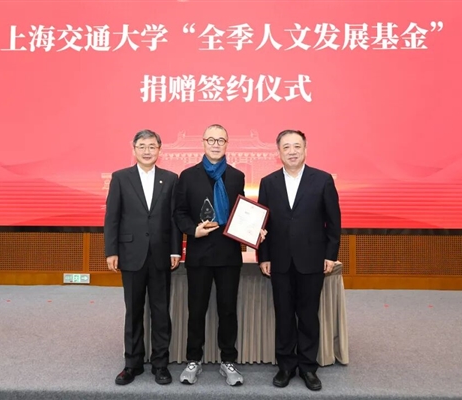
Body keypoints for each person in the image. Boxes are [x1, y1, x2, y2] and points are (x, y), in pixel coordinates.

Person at [257, 129, 341, 391]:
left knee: (307, 315)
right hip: (279, 260)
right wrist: (263, 256)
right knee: (283, 315)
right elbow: (263, 223)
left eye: (296, 146)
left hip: (312, 260)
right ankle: (285, 366)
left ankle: (307, 367)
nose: (292, 151)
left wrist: (330, 255)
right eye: (286, 147)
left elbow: (333, 222)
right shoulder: (268, 182)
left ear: (305, 149)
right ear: (279, 152)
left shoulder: (323, 180)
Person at [104, 129, 182, 386]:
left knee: (160, 311)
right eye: (142, 146)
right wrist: (111, 251)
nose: (147, 151)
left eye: (152, 146)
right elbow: (112, 217)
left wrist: (175, 250)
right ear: (134, 149)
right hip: (130, 254)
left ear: (159, 150)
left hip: (161, 254)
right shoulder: (120, 178)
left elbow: (173, 219)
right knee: (134, 310)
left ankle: (161, 364)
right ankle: (132, 363)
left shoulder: (170, 179)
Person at [173, 124, 246, 386]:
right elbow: (179, 212)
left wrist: (253, 229)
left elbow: (242, 213)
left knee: (228, 310)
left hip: (228, 255)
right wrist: (193, 230)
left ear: (227, 144)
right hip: (199, 254)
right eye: (211, 140)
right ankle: (194, 359)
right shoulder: (187, 176)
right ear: (203, 142)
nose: (216, 144)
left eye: (221, 140)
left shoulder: (237, 176)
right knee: (196, 310)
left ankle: (228, 361)